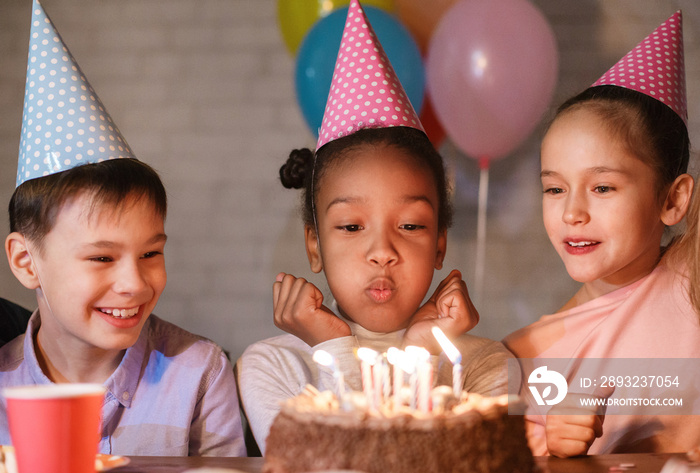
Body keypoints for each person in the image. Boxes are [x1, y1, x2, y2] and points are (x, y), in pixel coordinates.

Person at [238, 0, 515, 454]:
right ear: (314, 245)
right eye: (350, 227)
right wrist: (331, 346)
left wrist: (426, 352)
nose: (382, 251)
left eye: (409, 224)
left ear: (440, 244)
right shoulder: (275, 365)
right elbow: (329, 463)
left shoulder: (486, 365)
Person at [0, 0, 245, 456]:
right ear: (25, 260)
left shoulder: (199, 374)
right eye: (101, 257)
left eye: (151, 253)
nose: (135, 283)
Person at [503, 11, 700, 457]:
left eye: (603, 187)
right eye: (554, 188)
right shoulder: (525, 355)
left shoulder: (693, 277)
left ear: (672, 200)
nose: (572, 212)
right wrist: (553, 445)